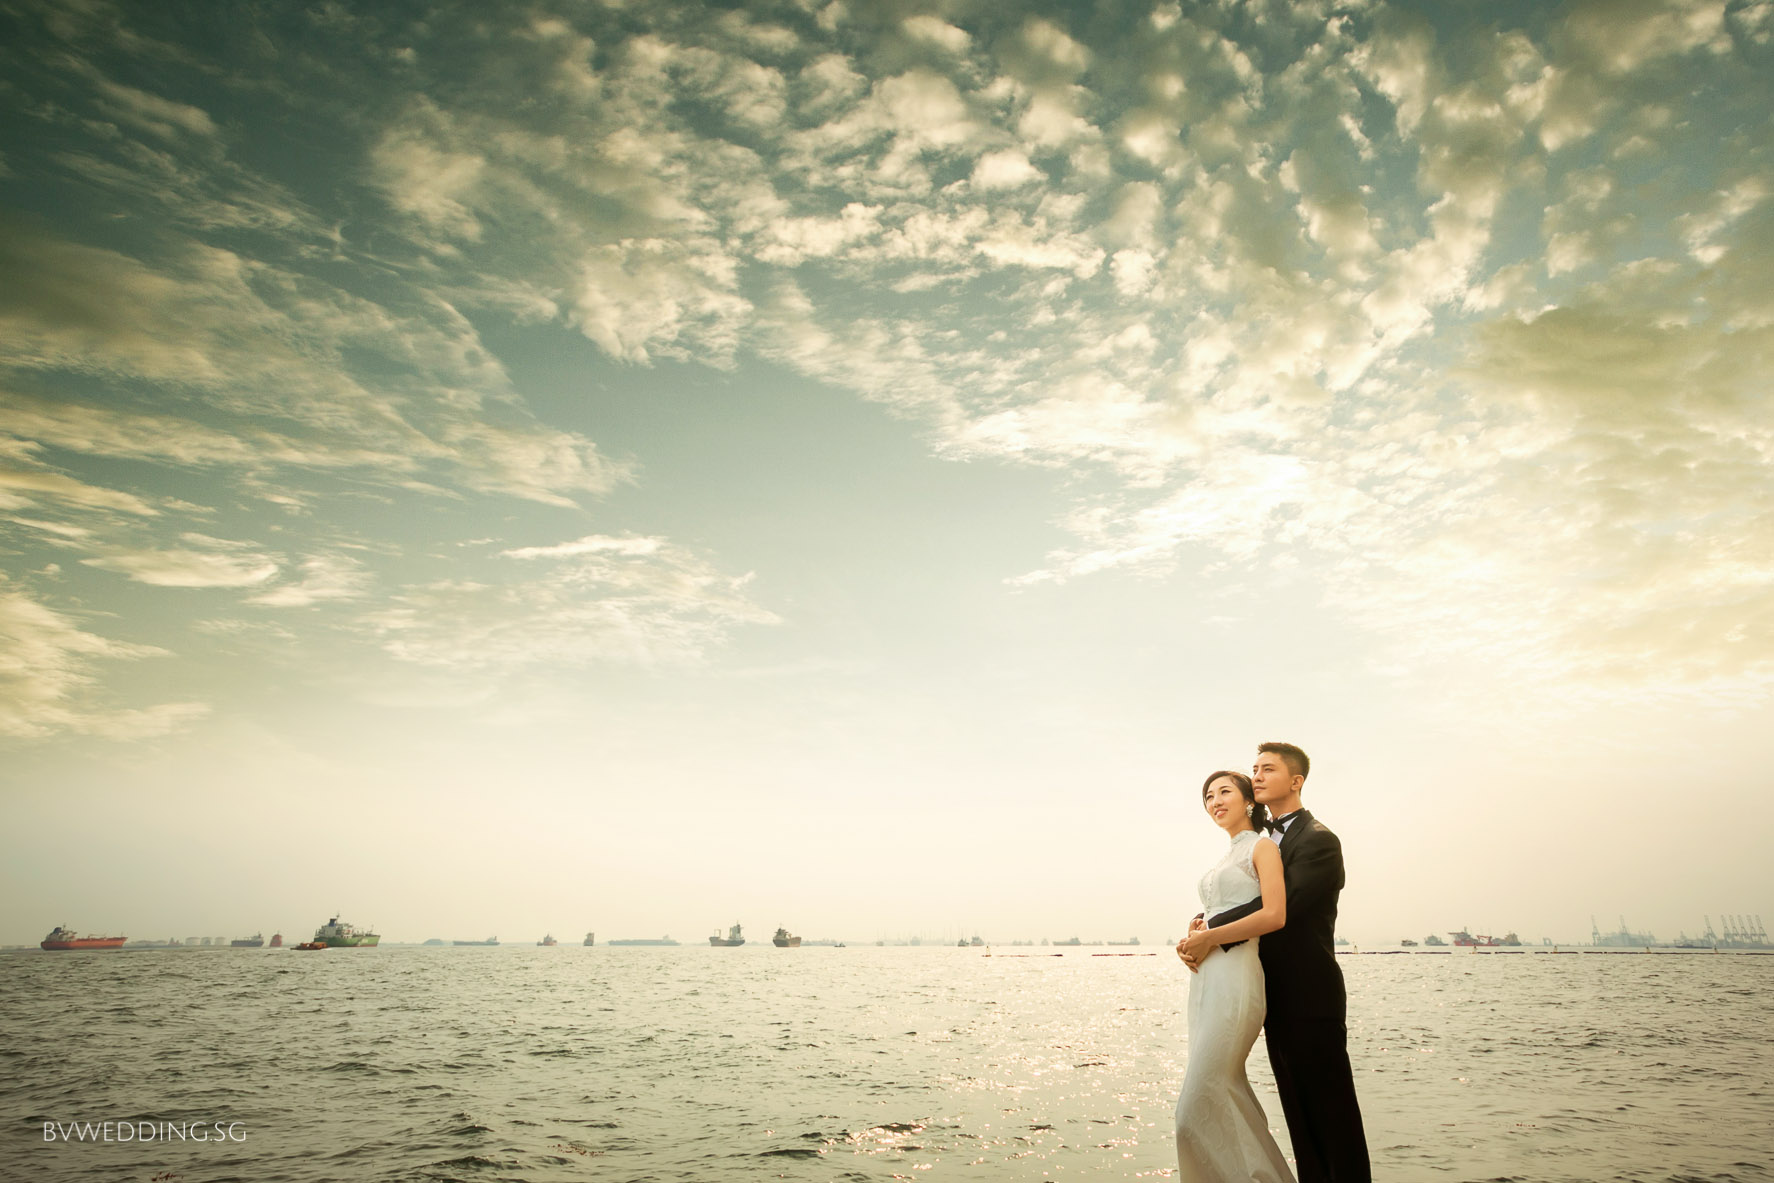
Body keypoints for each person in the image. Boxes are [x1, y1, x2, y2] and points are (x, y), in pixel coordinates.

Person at [1180, 742, 1370, 1183]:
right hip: (1267, 993)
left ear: (1296, 780)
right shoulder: (1262, 841)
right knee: (1299, 1117)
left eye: (1268, 769)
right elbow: (1246, 893)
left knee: (1333, 1117)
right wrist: (1201, 920)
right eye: (1255, 770)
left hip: (1310, 994)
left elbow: (1283, 906)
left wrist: (1209, 932)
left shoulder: (1319, 840)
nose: (1259, 776)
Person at [1173, 769, 1294, 1181]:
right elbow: (1218, 913)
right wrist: (1194, 936)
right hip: (1206, 982)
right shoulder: (1224, 857)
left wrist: (1211, 938)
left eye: (1225, 792)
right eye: (1208, 796)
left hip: (1237, 978)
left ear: (1248, 801)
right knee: (1225, 1090)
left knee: (1195, 1102)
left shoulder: (1262, 848)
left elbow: (1274, 914)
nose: (1215, 801)